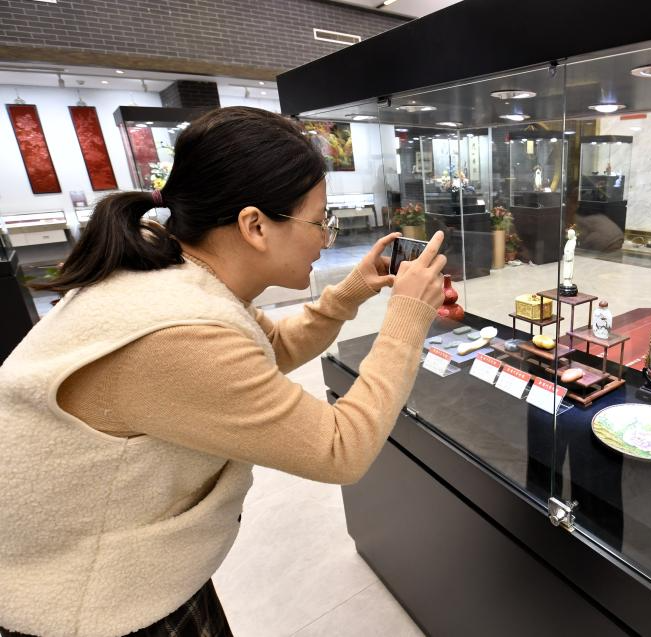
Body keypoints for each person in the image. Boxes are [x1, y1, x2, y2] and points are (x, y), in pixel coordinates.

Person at [0, 106, 445, 637]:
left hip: (118, 569)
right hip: (92, 605)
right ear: (254, 226)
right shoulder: (179, 333)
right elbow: (340, 449)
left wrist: (350, 292)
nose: (326, 238)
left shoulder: (176, 278)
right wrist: (408, 317)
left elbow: (268, 348)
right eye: (319, 221)